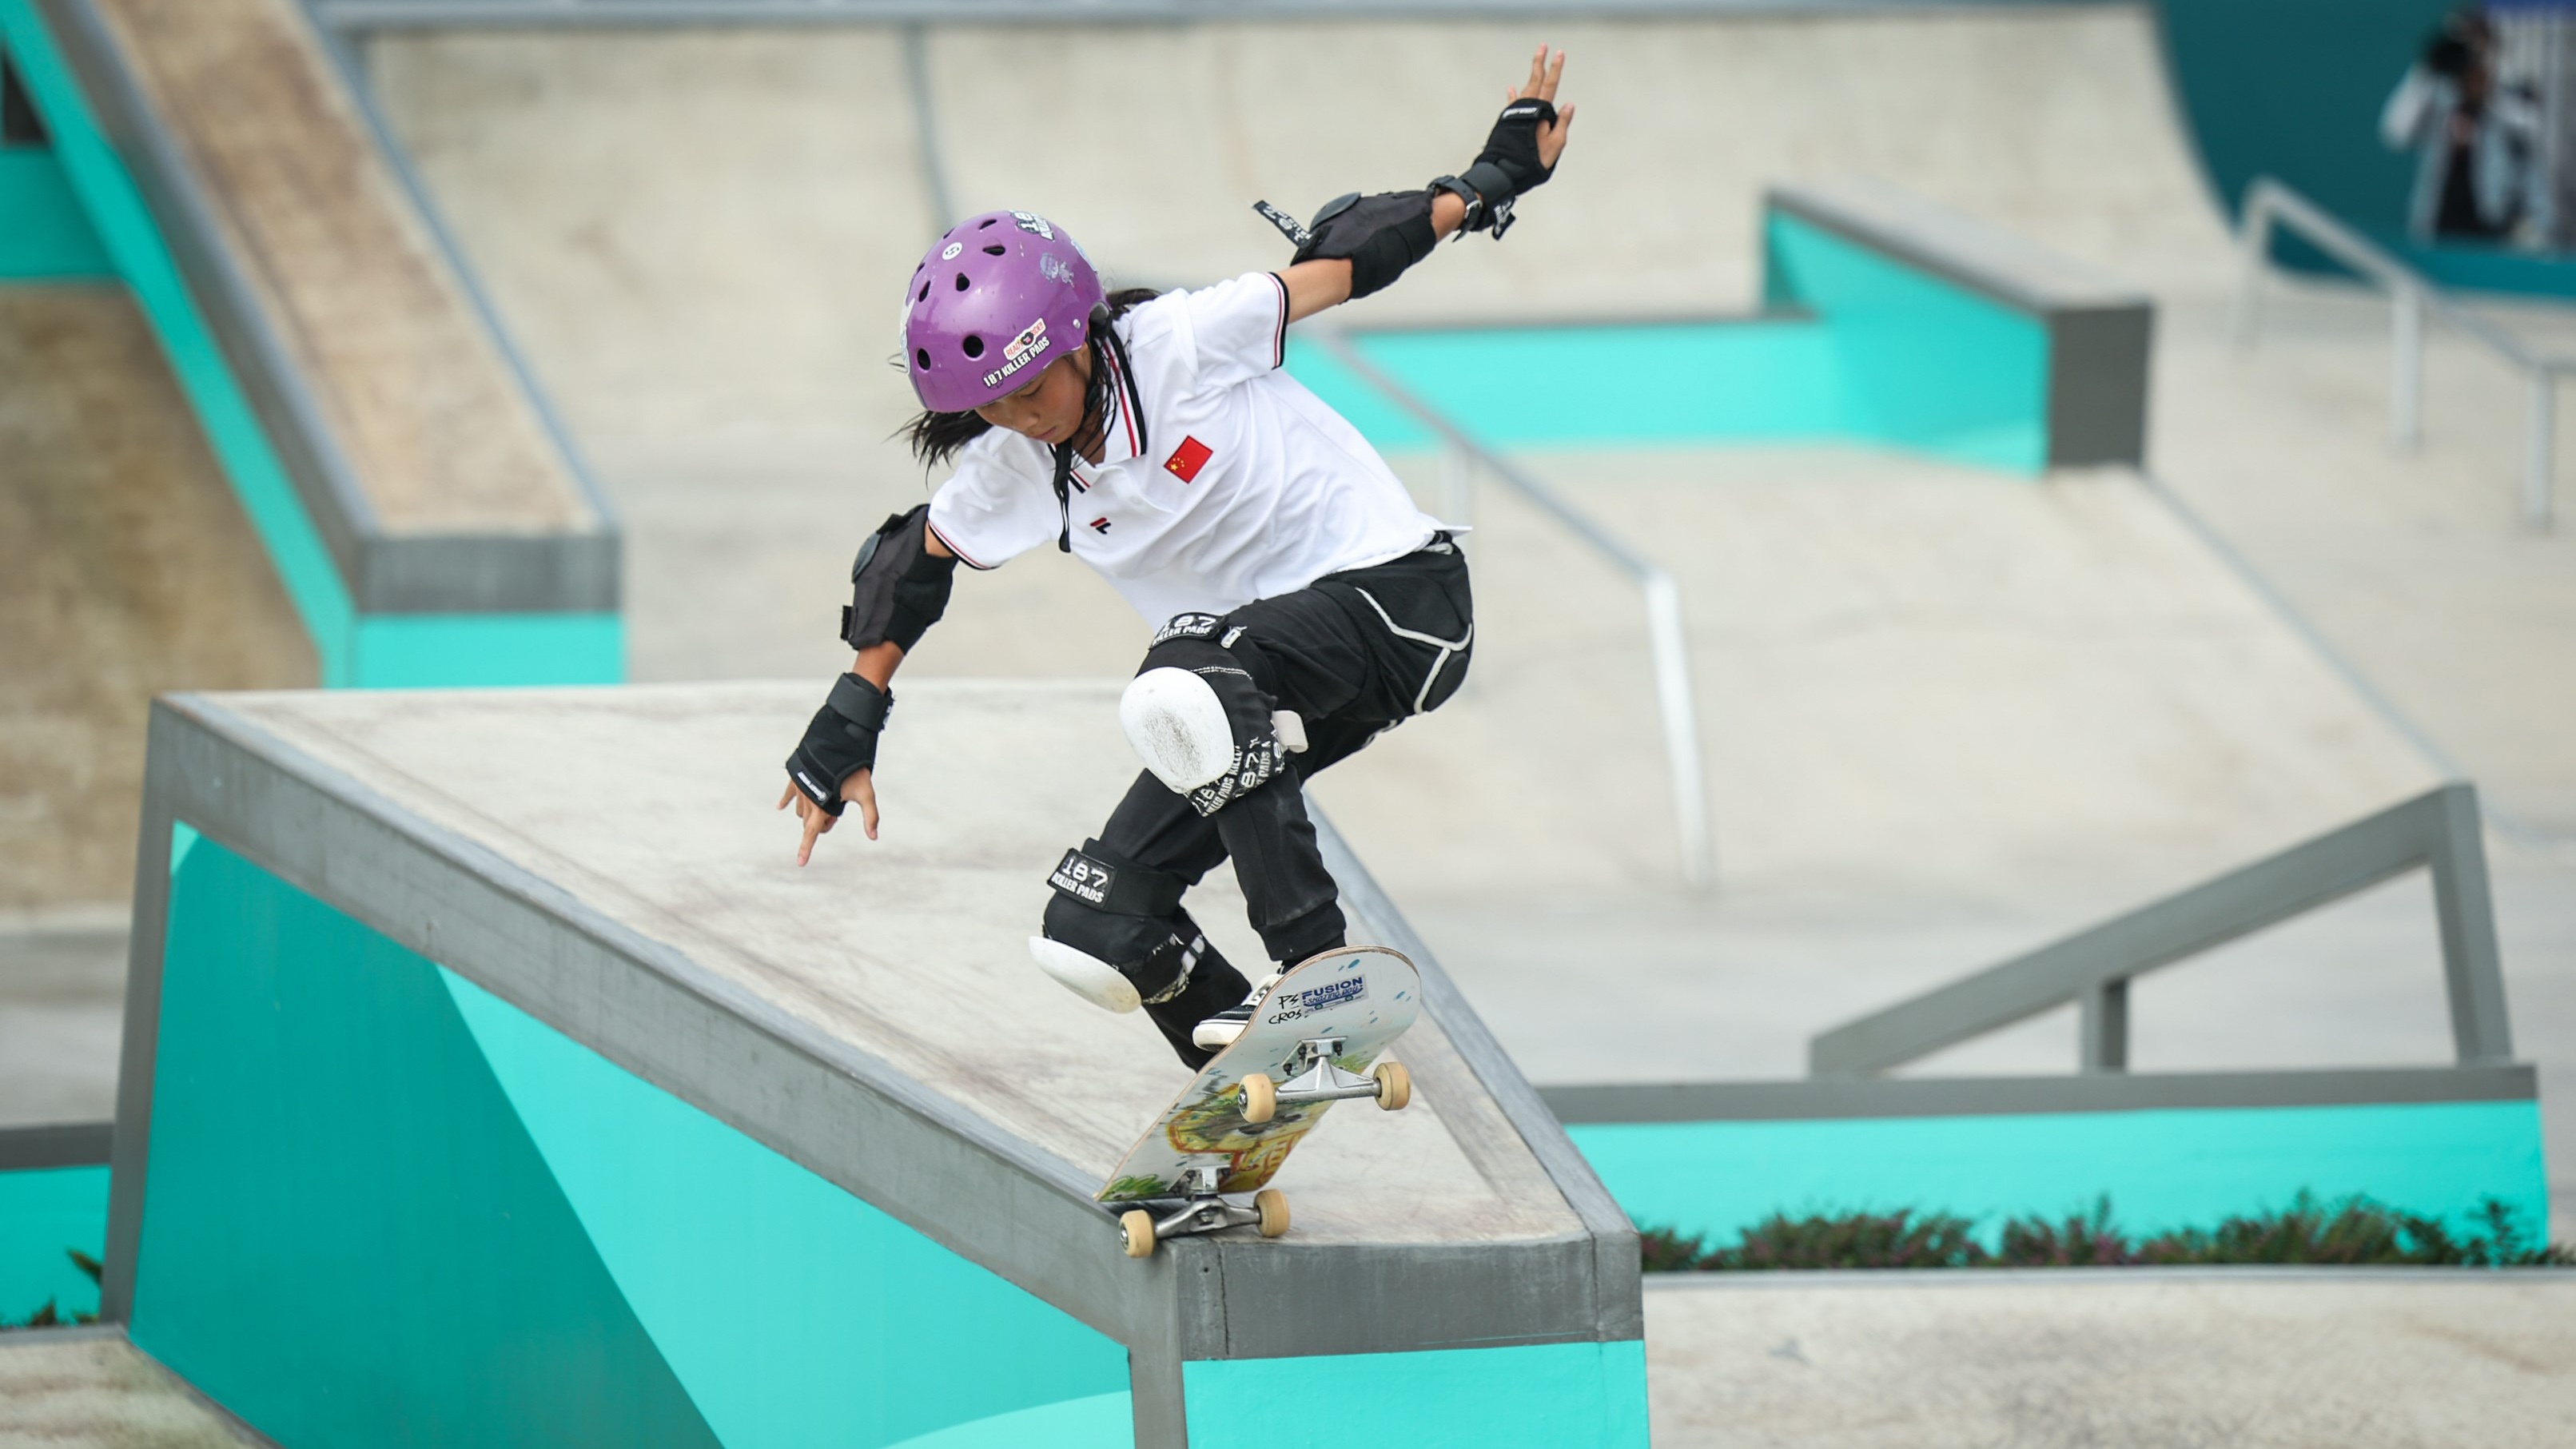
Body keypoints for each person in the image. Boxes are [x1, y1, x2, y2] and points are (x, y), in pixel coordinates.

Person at [778, 49, 1578, 1067]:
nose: (1018, 421)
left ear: (1076, 339)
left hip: (1399, 602)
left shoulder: (1180, 344)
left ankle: (1313, 969)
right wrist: (852, 715)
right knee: (1094, 921)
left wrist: (1485, 181)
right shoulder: (1012, 465)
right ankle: (1260, 1084)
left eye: (1032, 393)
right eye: (991, 409)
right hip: (1257, 679)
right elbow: (911, 561)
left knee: (1189, 675)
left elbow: (1345, 260)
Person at [2381, 6, 2543, 244]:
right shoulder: (2441, 98)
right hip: (2436, 224)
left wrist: (2490, 80)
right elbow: (2396, 132)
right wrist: (2428, 68)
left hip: (2496, 230)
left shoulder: (2509, 94)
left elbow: (2531, 126)